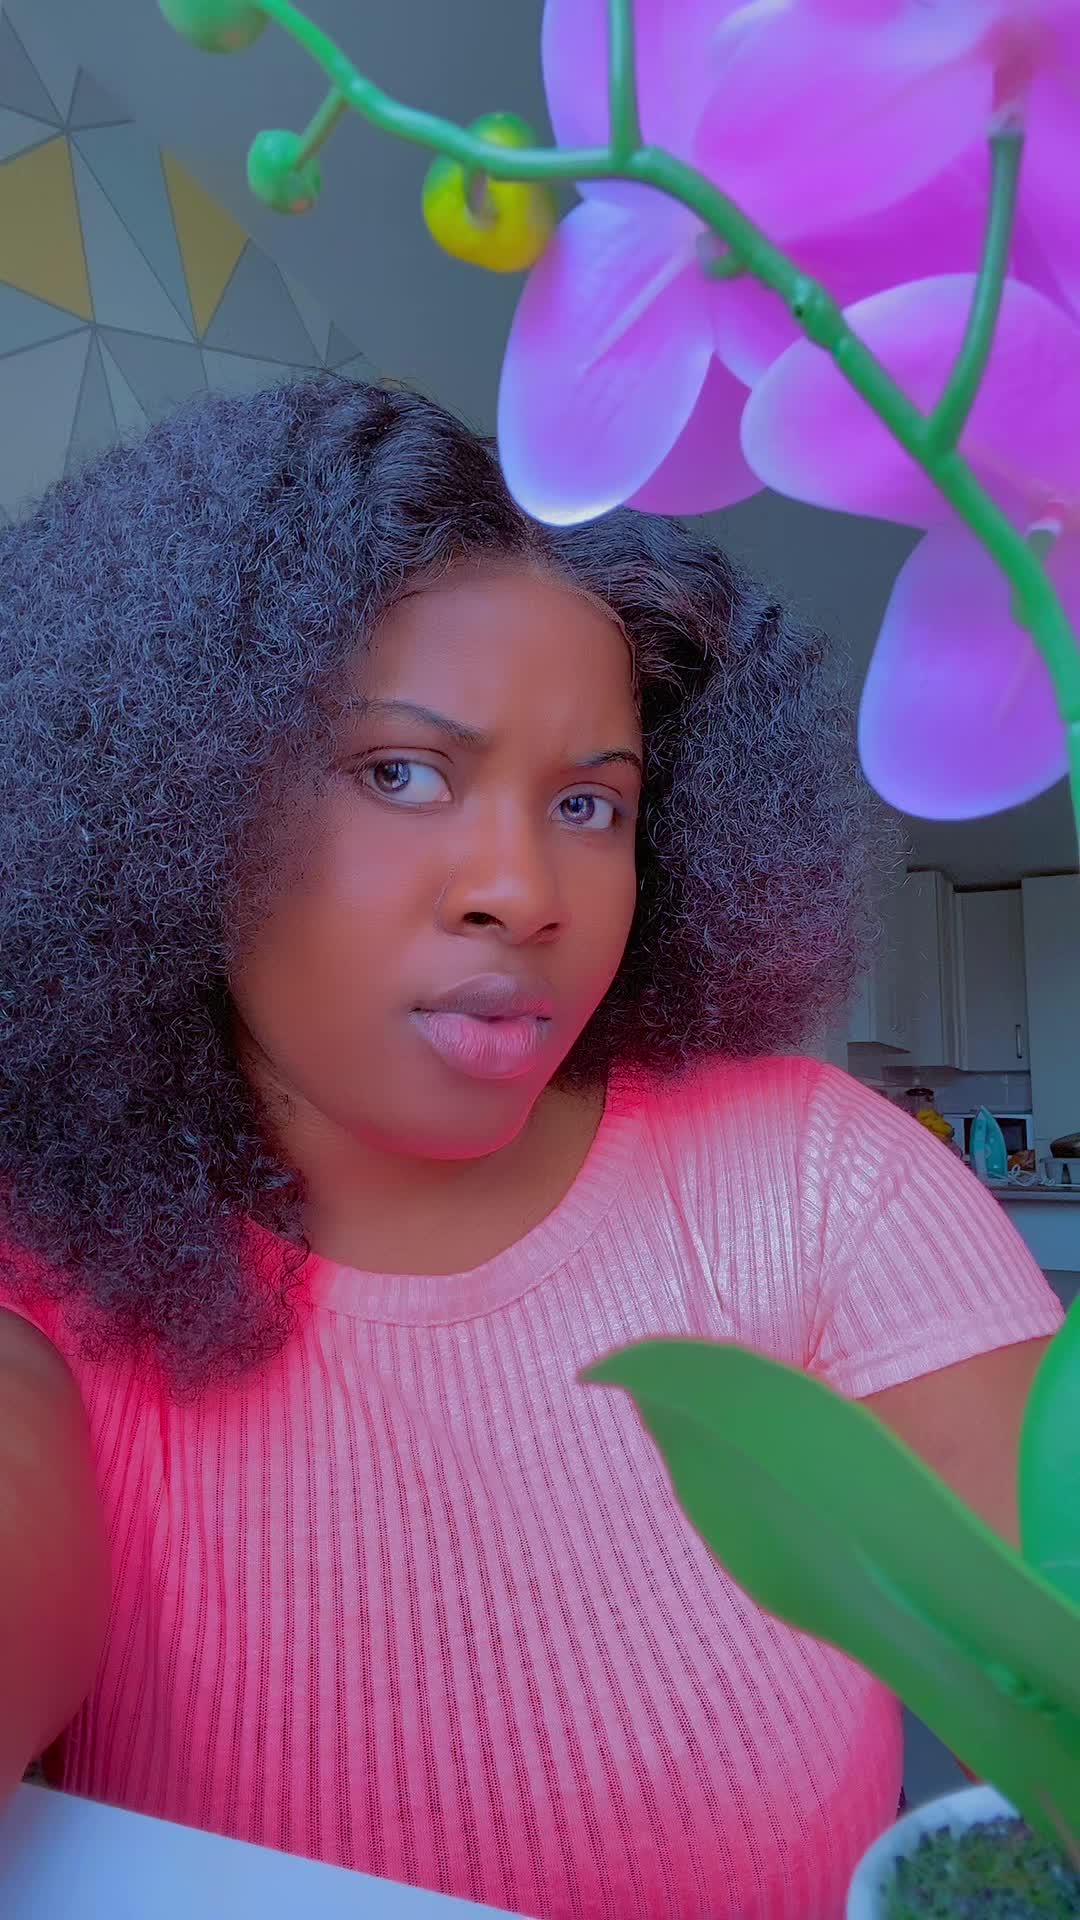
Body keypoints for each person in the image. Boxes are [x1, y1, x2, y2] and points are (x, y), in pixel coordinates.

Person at [0, 374, 1061, 1920]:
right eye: (400, 772)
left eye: (588, 803)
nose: (522, 890)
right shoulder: (39, 1269)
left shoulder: (826, 1190)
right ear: (174, 798)